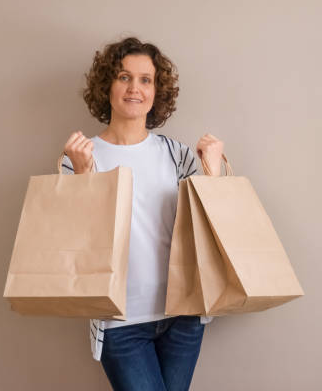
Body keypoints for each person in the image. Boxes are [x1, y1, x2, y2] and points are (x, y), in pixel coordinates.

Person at [61, 37, 225, 391]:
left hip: (183, 316)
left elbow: (213, 226)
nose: (134, 88)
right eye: (124, 77)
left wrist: (213, 171)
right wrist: (83, 174)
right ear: (107, 85)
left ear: (156, 91)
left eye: (145, 79)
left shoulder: (175, 153)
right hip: (119, 323)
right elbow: (72, 242)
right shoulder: (80, 155)